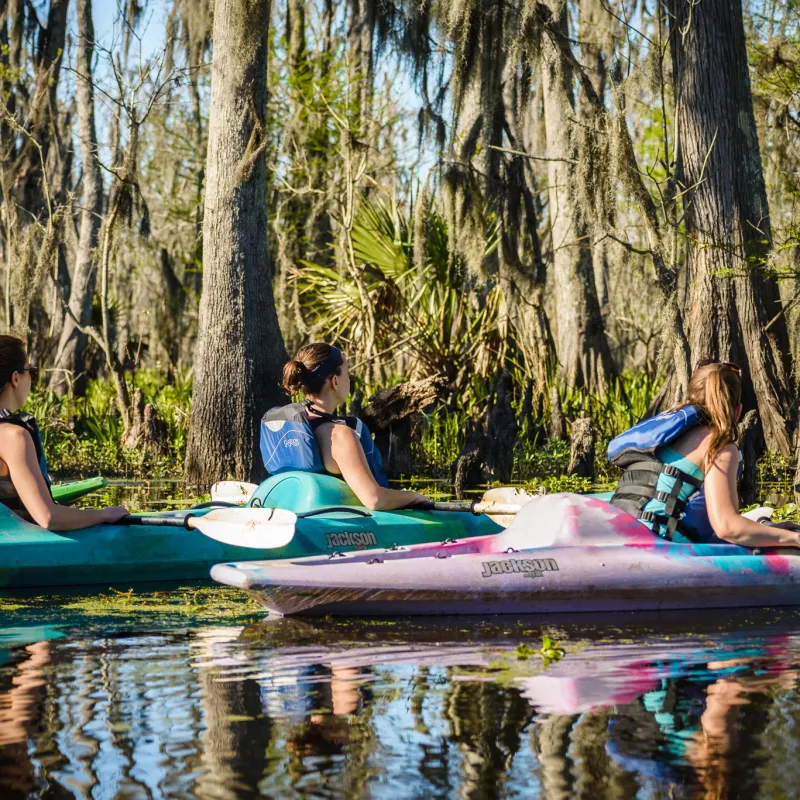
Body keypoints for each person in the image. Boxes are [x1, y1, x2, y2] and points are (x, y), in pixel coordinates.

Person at [608, 359, 800, 547]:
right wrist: (793, 539)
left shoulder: (667, 436)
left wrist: (773, 532)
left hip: (618, 532)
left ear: (690, 400)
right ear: (737, 411)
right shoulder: (719, 446)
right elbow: (727, 528)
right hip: (656, 545)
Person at [261, 343, 429, 510]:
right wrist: (415, 497)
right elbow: (374, 499)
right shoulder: (339, 435)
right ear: (334, 381)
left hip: (292, 512)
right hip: (328, 522)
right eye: (347, 373)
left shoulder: (288, 426)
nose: (349, 379)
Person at [0, 335, 128, 530]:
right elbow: (48, 517)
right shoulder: (13, 436)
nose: (32, 379)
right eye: (31, 372)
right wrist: (103, 515)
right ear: (15, 378)